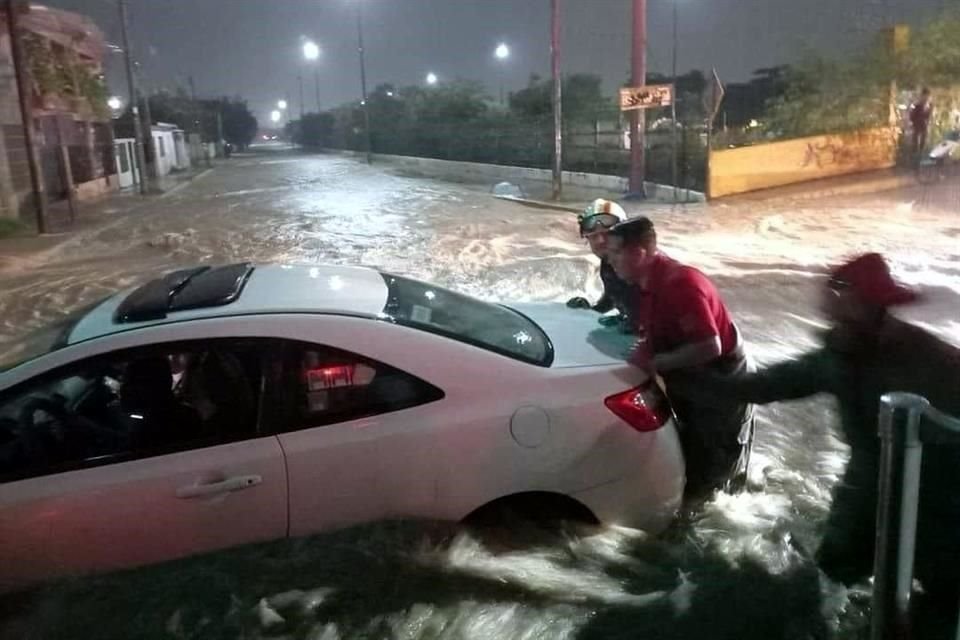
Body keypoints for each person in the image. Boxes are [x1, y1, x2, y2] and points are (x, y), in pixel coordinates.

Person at [670, 253, 960, 599]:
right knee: (832, 574)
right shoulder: (837, 357)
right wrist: (684, 378)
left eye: (846, 303)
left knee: (942, 585)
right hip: (868, 476)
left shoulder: (929, 356)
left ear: (874, 306)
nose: (833, 313)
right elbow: (763, 386)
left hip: (939, 485)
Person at [606, 216, 754, 504]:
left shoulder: (681, 284)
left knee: (713, 472)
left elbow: (710, 346)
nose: (610, 261)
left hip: (720, 384)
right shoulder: (647, 282)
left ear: (638, 253)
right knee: (693, 452)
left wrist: (655, 364)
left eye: (614, 254)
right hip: (692, 380)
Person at [566, 199, 632, 331]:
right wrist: (590, 308)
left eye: (607, 235)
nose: (601, 241)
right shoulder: (608, 265)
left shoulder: (642, 264)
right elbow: (613, 299)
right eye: (594, 236)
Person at [909, 87, 933, 158]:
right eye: (925, 96)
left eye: (928, 96)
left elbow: (929, 116)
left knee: (922, 143)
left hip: (924, 127)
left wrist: (928, 123)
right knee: (915, 144)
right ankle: (914, 160)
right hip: (917, 126)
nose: (926, 98)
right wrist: (914, 123)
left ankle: (920, 158)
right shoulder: (917, 105)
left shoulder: (929, 105)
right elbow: (912, 116)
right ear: (922, 96)